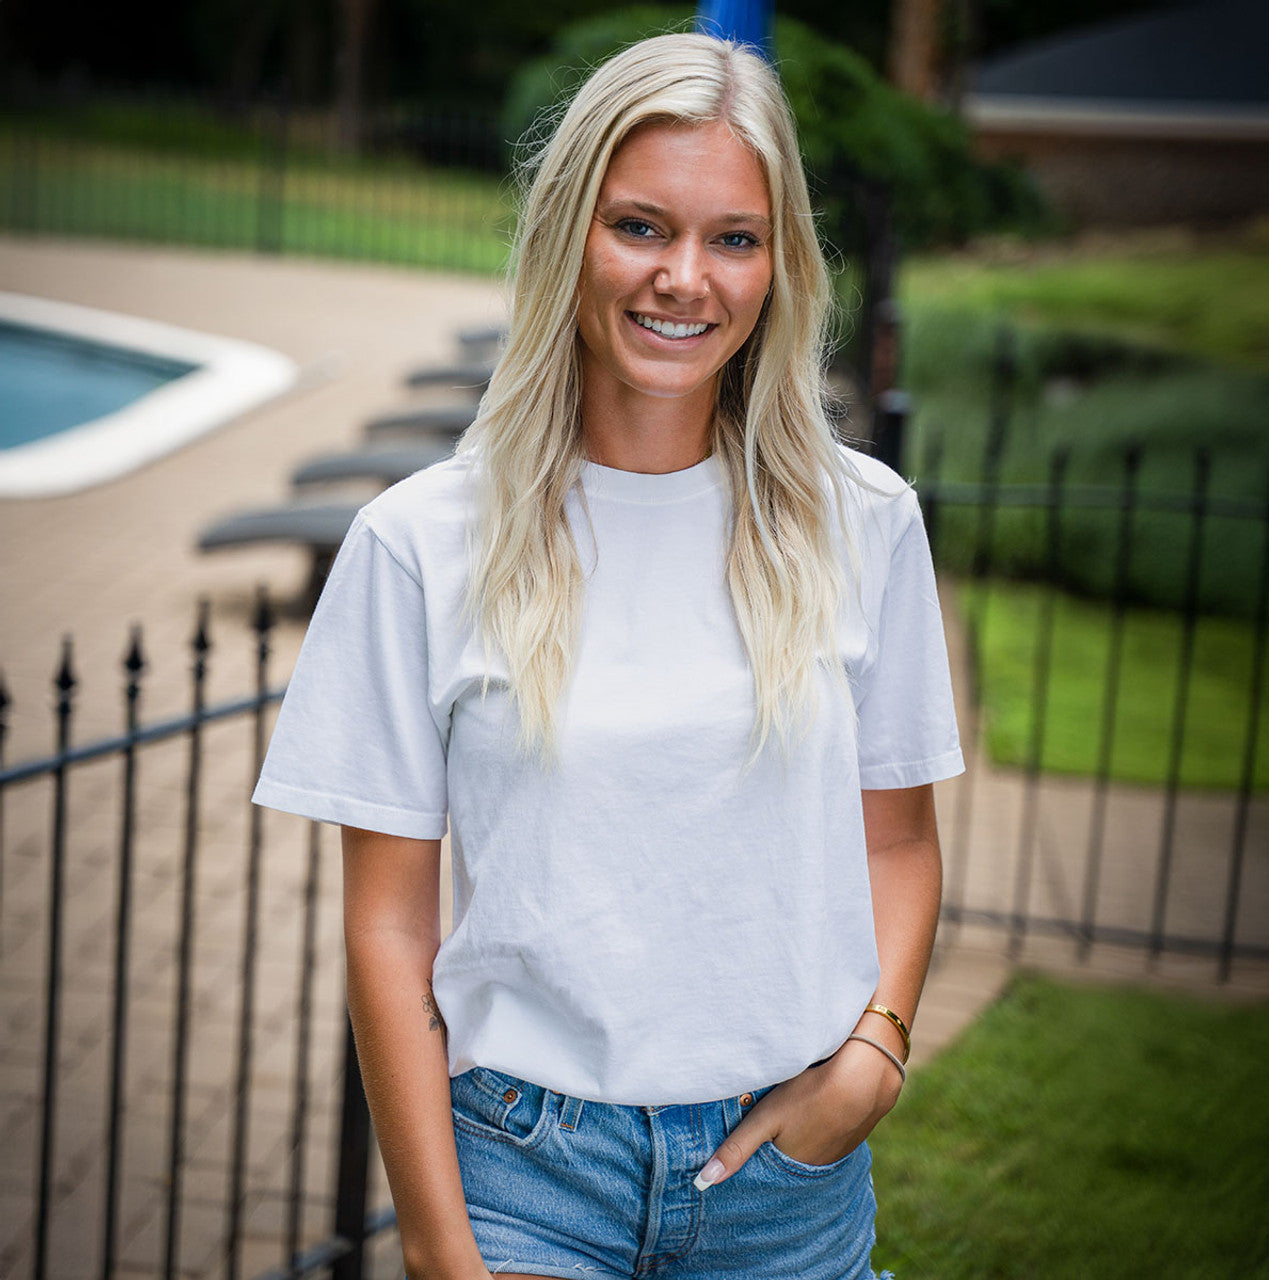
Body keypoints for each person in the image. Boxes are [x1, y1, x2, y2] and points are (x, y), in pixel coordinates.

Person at [253, 31, 962, 1280]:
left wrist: (874, 1055)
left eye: (733, 237)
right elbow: (385, 926)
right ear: (568, 233)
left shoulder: (865, 525)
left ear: (778, 265)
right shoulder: (419, 543)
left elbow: (896, 838)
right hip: (529, 1170)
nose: (684, 278)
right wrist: (437, 1247)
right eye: (640, 226)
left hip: (786, 1176)